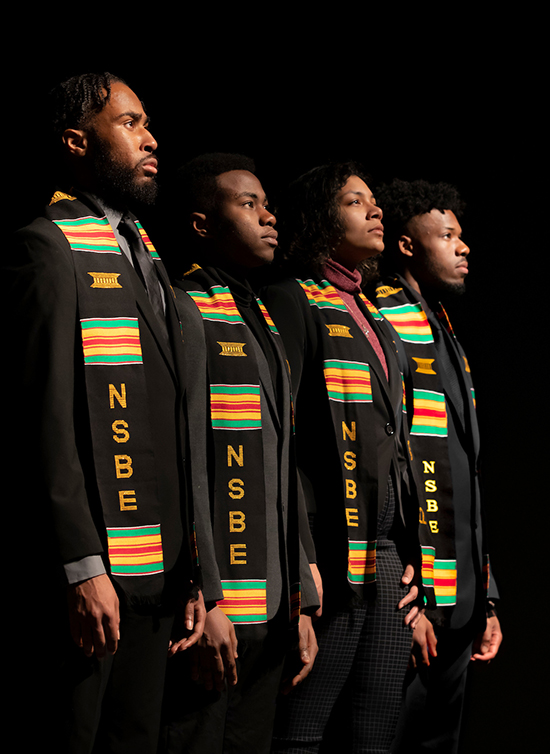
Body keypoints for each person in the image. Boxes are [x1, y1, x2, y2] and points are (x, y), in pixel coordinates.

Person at [4, 72, 213, 753]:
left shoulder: (148, 258)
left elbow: (178, 427)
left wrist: (191, 569)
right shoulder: (50, 247)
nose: (151, 139)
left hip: (157, 574)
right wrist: (80, 565)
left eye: (148, 123)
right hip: (92, 579)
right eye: (130, 124)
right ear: (75, 141)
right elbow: (45, 420)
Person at [158, 153, 321, 752]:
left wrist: (302, 593)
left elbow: (283, 460)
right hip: (221, 605)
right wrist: (210, 595)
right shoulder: (185, 307)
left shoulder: (262, 318)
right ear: (202, 224)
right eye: (247, 204)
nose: (267, 215)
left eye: (267, 204)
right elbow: (186, 461)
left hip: (276, 601)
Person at [260, 162, 423, 753]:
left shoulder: (377, 315)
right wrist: (302, 565)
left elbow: (398, 445)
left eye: (374, 201)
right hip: (330, 552)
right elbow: (278, 440)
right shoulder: (291, 299)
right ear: (320, 221)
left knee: (374, 737)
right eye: (356, 202)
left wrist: (416, 556)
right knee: (300, 735)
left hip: (384, 557)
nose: (375, 210)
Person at [370, 179, 502, 754]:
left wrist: (487, 595)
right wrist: (407, 568)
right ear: (405, 245)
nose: (463, 245)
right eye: (447, 235)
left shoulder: (442, 328)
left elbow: (462, 475)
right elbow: (386, 464)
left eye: (462, 234)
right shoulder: (383, 322)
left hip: (462, 597)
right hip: (414, 599)